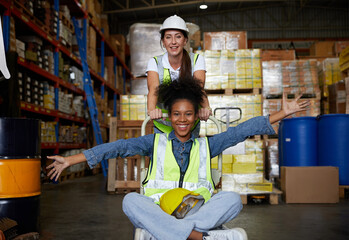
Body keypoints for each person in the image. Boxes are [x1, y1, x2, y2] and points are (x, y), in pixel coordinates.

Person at [47, 77, 310, 240]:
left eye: (187, 114)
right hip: (160, 210)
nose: (182, 120)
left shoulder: (209, 144)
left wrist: (281, 114)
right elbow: (116, 148)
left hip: (197, 213)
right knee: (130, 201)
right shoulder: (154, 142)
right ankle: (198, 237)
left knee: (231, 199)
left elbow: (243, 130)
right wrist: (72, 161)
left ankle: (182, 234)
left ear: (195, 116)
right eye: (176, 114)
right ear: (169, 117)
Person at [146, 15, 211, 137]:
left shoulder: (197, 60)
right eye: (168, 37)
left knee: (191, 156)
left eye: (178, 37)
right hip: (163, 126)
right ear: (163, 42)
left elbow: (199, 88)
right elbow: (153, 89)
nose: (173, 42)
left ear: (185, 40)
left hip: (188, 126)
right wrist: (151, 110)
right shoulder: (154, 62)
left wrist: (206, 108)